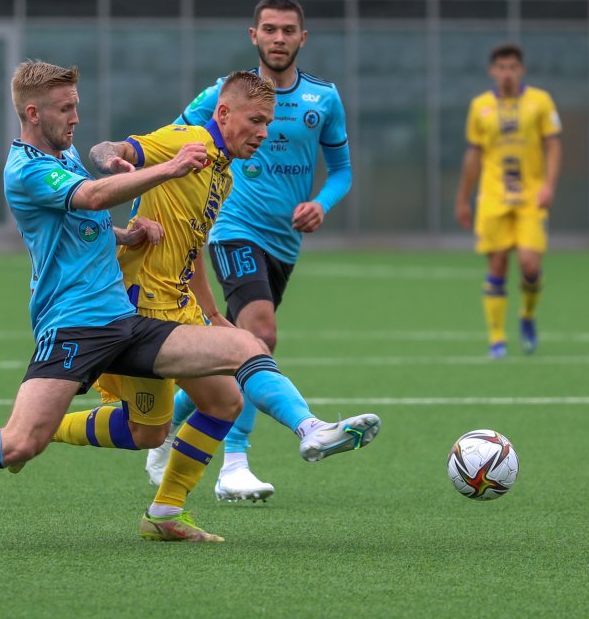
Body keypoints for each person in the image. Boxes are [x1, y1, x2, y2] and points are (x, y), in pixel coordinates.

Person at [0, 61, 377, 550]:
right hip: (73, 325)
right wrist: (168, 169)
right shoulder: (25, 168)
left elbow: (85, 223)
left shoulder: (63, 156)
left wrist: (127, 235)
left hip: (127, 320)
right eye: (66, 108)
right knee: (20, 444)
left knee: (239, 352)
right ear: (33, 113)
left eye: (76, 105)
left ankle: (308, 431)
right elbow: (93, 197)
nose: (76, 117)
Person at [50, 71, 378, 510]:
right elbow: (107, 148)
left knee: (222, 402)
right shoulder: (186, 141)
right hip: (138, 309)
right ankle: (309, 428)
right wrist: (112, 161)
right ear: (223, 113)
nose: (264, 133)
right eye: (256, 121)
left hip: (177, 305)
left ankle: (165, 512)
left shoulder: (223, 175)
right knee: (169, 412)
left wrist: (213, 314)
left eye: (268, 123)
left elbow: (193, 250)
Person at [142, 0, 354, 502]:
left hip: (284, 242)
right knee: (259, 334)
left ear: (303, 38)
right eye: (270, 29)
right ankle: (234, 462)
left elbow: (342, 172)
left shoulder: (323, 99)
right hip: (231, 226)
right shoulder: (223, 94)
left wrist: (321, 203)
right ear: (253, 35)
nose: (279, 38)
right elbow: (173, 137)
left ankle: (167, 423)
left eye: (288, 30)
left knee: (241, 348)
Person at [454, 43, 562, 358]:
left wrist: (549, 185)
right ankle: (497, 338)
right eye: (501, 67)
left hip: (531, 197)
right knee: (498, 263)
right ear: (492, 71)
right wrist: (463, 199)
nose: (507, 73)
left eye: (513, 67)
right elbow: (473, 155)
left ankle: (527, 315)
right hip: (493, 196)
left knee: (530, 264)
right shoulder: (480, 106)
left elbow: (554, 145)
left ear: (521, 70)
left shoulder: (540, 102)